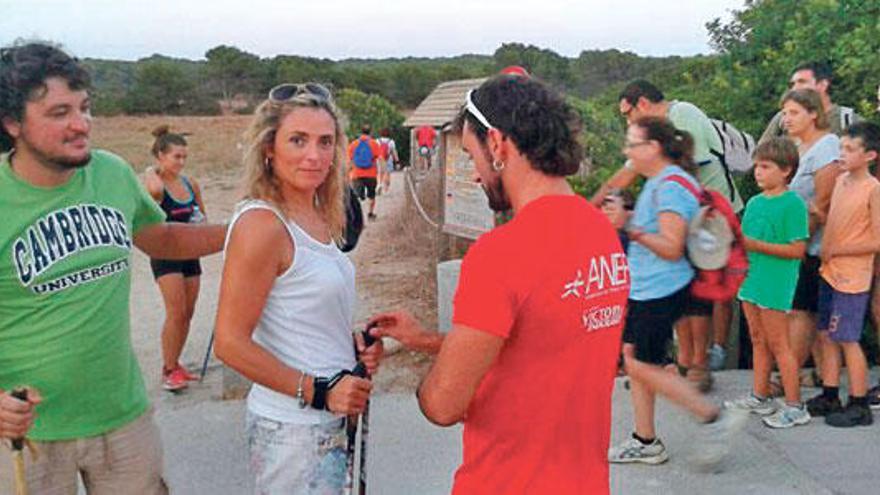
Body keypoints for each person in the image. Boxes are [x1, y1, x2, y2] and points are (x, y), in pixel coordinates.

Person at [369, 75, 629, 494]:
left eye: (473, 157)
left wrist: (427, 385)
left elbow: (443, 405)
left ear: (497, 144)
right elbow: (539, 343)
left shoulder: (500, 254)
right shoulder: (601, 232)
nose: (474, 176)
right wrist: (423, 339)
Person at [0, 42, 226, 494]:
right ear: (12, 123)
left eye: (84, 107)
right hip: (26, 435)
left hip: (123, 417)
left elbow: (160, 237)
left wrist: (246, 229)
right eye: (59, 112)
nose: (81, 123)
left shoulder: (111, 173)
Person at [213, 82, 383, 493]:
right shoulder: (261, 224)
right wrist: (320, 390)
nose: (315, 155)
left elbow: (301, 312)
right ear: (269, 148)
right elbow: (229, 343)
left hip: (330, 419)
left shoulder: (318, 214)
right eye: (298, 140)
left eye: (326, 142)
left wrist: (353, 343)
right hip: (293, 430)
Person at [607, 117, 746, 467]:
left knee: (640, 364)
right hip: (649, 287)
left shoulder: (669, 186)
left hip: (661, 287)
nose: (628, 152)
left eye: (633, 144)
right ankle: (645, 439)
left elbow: (671, 246)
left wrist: (631, 231)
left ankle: (712, 416)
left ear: (653, 147)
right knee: (636, 358)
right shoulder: (663, 181)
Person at [603, 80, 744, 387]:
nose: (628, 122)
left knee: (708, 292)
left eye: (627, 114)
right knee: (684, 291)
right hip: (684, 215)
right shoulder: (653, 139)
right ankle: (686, 362)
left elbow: (687, 163)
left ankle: (705, 360)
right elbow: (629, 173)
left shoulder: (683, 114)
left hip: (711, 219)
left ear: (641, 103)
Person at [724, 138, 811, 429]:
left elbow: (797, 250)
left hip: (775, 283)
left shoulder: (793, 204)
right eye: (757, 166)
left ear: (786, 170)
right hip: (751, 280)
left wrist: (754, 245)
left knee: (779, 344)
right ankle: (760, 395)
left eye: (766, 166)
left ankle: (795, 405)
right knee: (758, 340)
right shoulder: (754, 203)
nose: (758, 172)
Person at [805, 122, 880, 427]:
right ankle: (830, 392)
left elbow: (877, 239)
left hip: (852, 275)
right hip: (830, 270)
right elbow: (836, 221)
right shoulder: (840, 181)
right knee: (826, 334)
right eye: (841, 149)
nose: (842, 155)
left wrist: (840, 248)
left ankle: (859, 402)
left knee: (847, 337)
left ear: (870, 155)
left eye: (850, 150)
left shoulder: (873, 189)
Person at [781, 88, 842, 393]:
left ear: (813, 114)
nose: (786, 119)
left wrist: (800, 242)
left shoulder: (826, 146)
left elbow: (824, 202)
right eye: (785, 113)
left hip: (816, 246)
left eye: (794, 112)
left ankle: (789, 376)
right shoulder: (799, 147)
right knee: (806, 311)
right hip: (801, 242)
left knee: (803, 311)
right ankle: (816, 373)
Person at [142, 125, 207, 392]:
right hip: (165, 255)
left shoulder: (189, 183)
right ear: (160, 155)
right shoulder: (153, 184)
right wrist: (150, 169)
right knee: (176, 312)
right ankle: (168, 369)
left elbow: (202, 216)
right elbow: (155, 190)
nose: (180, 162)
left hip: (190, 253)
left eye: (184, 157)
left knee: (188, 313)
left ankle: (177, 363)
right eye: (175, 156)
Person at [758, 61, 862, 146]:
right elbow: (760, 155)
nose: (795, 88)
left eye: (802, 82)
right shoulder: (783, 118)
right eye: (792, 84)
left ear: (822, 85)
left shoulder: (847, 119)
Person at [348, 124, 381, 220]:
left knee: (357, 196)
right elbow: (379, 158)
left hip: (357, 174)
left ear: (361, 132)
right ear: (370, 132)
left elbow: (349, 160)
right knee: (371, 195)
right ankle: (370, 214)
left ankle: (358, 216)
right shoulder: (374, 143)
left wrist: (347, 173)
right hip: (371, 174)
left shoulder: (353, 144)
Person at [600, 188, 635, 252]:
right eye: (604, 209)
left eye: (611, 209)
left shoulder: (635, 242)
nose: (605, 213)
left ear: (629, 213)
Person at [376, 127, 398, 192]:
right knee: (387, 173)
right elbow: (394, 151)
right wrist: (397, 161)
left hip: (379, 158)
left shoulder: (377, 141)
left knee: (380, 172)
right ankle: (386, 188)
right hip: (388, 158)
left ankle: (379, 184)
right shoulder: (391, 142)